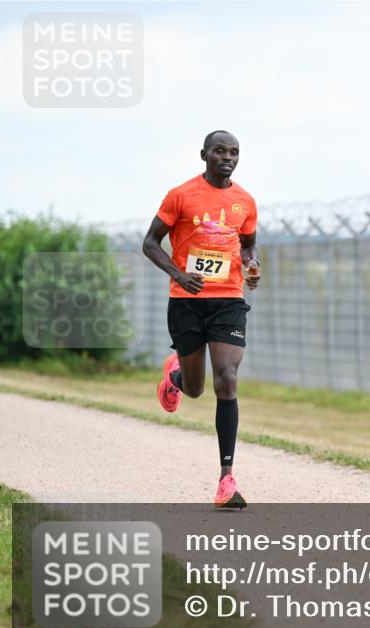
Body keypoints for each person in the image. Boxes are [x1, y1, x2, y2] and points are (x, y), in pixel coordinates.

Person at [142, 130, 261, 509]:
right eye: (220, 151)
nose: (228, 158)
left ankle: (226, 480)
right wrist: (178, 274)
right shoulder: (181, 195)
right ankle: (175, 376)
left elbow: (248, 244)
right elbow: (150, 243)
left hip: (228, 299)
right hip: (187, 301)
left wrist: (251, 265)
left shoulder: (245, 201)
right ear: (204, 155)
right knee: (195, 389)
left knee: (226, 379)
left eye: (234, 152)